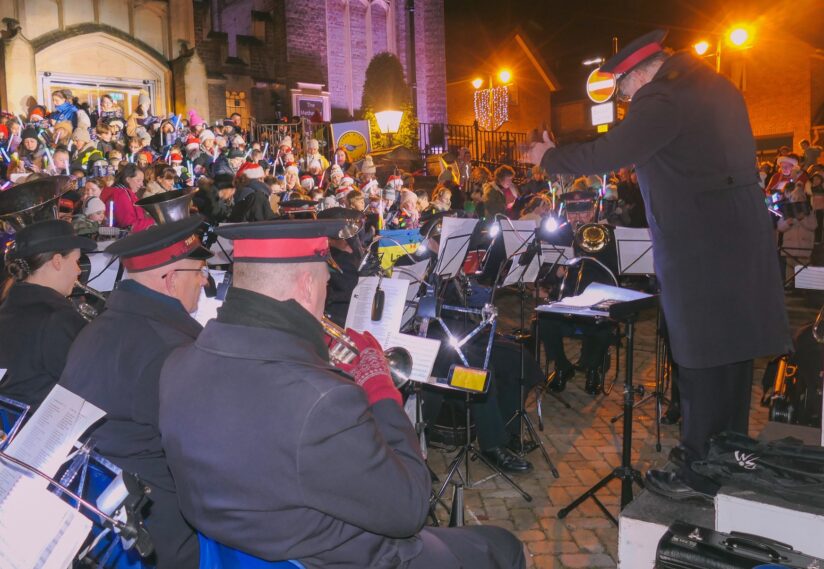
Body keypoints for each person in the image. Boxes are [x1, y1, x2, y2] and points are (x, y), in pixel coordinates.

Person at [158, 218, 525, 569]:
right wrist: (379, 389)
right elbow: (411, 507)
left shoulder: (177, 364)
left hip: (243, 550)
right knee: (505, 546)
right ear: (305, 286)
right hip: (342, 558)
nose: (325, 295)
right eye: (324, 284)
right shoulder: (322, 401)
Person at [527, 29, 791, 500]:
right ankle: (727, 453)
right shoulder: (715, 85)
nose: (627, 102)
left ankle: (698, 471)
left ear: (640, 73)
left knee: (699, 357)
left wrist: (549, 157)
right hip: (736, 243)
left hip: (700, 247)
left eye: (625, 90)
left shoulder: (665, 95)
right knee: (730, 356)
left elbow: (612, 152)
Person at [60, 217, 211, 568]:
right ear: (172, 280)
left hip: (102, 515)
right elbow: (209, 459)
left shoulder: (97, 328)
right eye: (199, 271)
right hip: (162, 534)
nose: (204, 280)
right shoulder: (171, 349)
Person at [0, 220, 95, 409]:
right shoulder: (57, 317)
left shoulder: (8, 305)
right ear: (57, 261)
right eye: (76, 261)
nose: (78, 270)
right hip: (46, 429)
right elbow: (91, 384)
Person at [100, 163, 155, 232]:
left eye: (142, 181)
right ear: (128, 179)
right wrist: (155, 221)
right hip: (123, 239)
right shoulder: (120, 195)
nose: (142, 184)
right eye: (138, 180)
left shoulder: (123, 193)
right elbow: (129, 226)